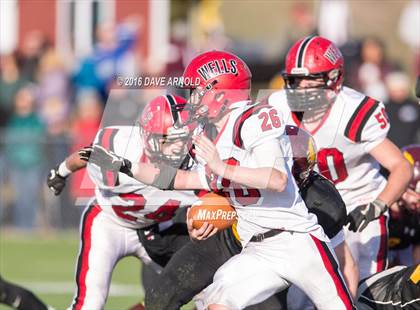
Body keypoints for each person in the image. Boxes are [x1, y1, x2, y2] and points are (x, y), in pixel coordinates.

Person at [90, 50, 354, 309]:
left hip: (297, 241)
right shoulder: (208, 134)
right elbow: (180, 180)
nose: (191, 98)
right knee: (217, 303)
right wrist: (127, 166)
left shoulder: (255, 119)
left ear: (218, 92)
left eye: (196, 90)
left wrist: (221, 168)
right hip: (257, 249)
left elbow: (276, 179)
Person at [268, 35, 413, 281]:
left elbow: (401, 167)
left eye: (311, 82)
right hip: (310, 206)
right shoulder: (278, 105)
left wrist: (378, 205)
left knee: (365, 287)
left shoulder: (353, 112)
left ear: (334, 80)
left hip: (358, 203)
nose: (301, 91)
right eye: (295, 81)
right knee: (302, 294)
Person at [47, 95, 198, 309]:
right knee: (90, 302)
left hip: (154, 228)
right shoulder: (120, 147)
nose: (178, 148)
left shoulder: (198, 161)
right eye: (169, 140)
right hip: (108, 221)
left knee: (204, 287)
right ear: (147, 136)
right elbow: (88, 154)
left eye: (183, 139)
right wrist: (61, 171)